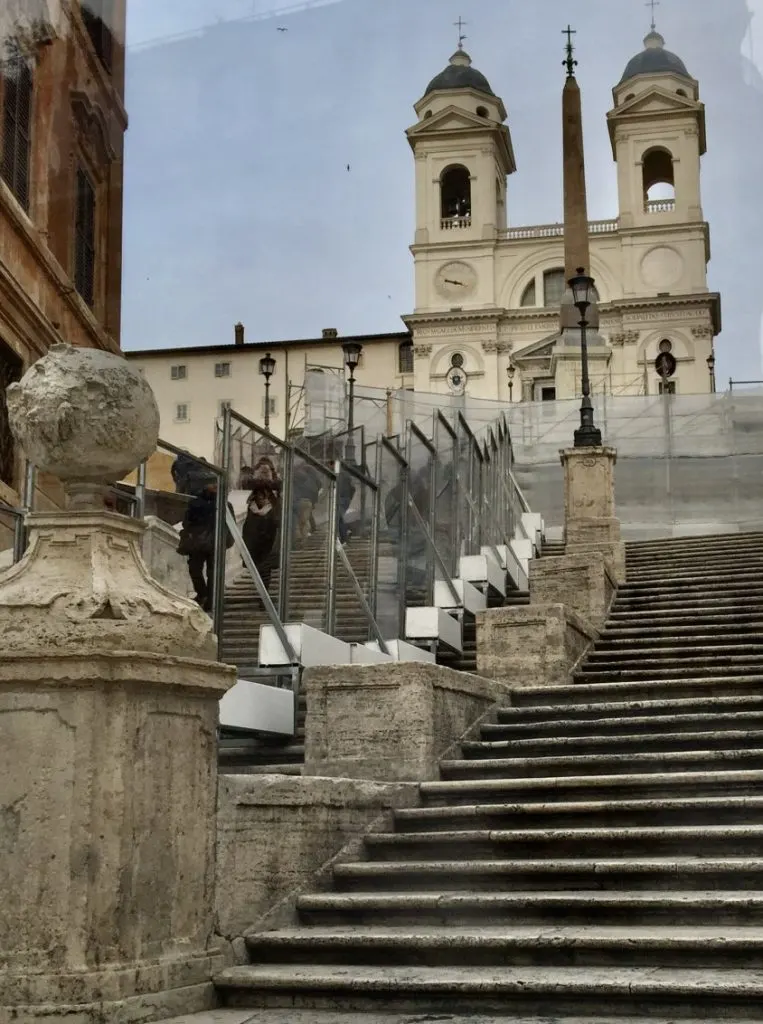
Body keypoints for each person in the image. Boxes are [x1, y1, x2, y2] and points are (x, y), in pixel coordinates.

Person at [177, 480, 232, 611]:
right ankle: (204, 595)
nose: (215, 487)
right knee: (196, 570)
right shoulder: (196, 503)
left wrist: (226, 542)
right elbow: (187, 522)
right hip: (199, 544)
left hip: (213, 545)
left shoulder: (224, 505)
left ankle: (209, 599)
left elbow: (230, 527)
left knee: (211, 573)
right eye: (213, 484)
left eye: (217, 485)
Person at [242, 480, 279, 592]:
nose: (261, 499)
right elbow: (247, 526)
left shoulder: (274, 508)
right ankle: (262, 591)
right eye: (259, 496)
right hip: (255, 544)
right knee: (258, 570)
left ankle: (264, 593)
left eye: (263, 496)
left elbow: (277, 525)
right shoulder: (251, 508)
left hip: (269, 543)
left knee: (265, 570)